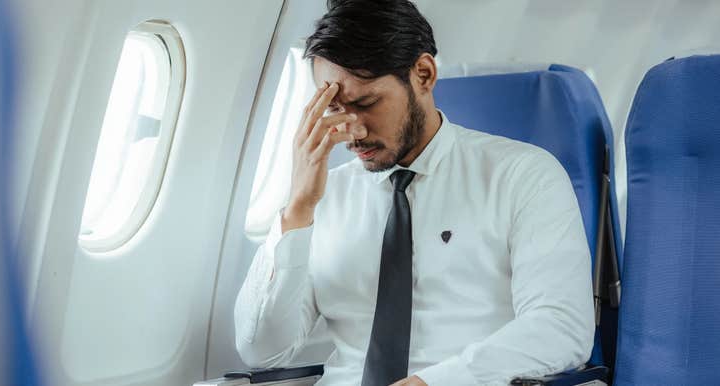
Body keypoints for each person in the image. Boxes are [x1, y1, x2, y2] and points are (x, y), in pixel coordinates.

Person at [234, 0, 595, 385]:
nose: (352, 130)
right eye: (336, 109)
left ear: (423, 74)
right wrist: (298, 209)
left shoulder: (522, 175)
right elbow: (262, 351)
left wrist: (434, 382)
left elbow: (561, 327)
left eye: (366, 103)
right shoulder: (324, 198)